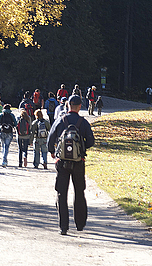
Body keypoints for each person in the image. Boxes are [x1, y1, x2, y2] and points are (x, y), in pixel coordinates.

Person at [47, 95, 95, 235]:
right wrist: (81, 149)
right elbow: (91, 141)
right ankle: (80, 224)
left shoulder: (60, 120)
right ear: (80, 106)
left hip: (62, 162)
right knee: (79, 192)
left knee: (62, 193)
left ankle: (63, 227)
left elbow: (51, 139)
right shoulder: (83, 122)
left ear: (68, 105)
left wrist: (52, 152)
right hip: (78, 162)